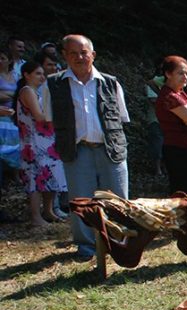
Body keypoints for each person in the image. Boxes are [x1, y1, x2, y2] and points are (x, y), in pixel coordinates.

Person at [48, 34, 130, 260]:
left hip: (110, 147)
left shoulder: (110, 82)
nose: (79, 57)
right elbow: (48, 117)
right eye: (73, 53)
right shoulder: (54, 84)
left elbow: (121, 118)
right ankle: (86, 245)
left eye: (84, 52)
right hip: (77, 149)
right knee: (80, 200)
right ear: (65, 56)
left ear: (93, 55)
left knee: (117, 198)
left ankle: (119, 241)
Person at [15, 61, 67, 226]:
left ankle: (49, 211)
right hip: (34, 141)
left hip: (46, 141)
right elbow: (39, 116)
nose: (42, 77)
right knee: (35, 178)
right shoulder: (27, 91)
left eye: (43, 74)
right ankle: (36, 216)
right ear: (26, 74)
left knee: (51, 175)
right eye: (37, 73)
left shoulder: (38, 92)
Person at [155, 56, 187, 195]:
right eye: (180, 73)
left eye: (186, 73)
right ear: (168, 74)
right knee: (184, 193)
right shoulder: (169, 96)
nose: (185, 77)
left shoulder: (180, 93)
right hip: (179, 151)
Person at [0, 51, 21, 176]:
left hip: (13, 114)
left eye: (2, 58)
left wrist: (9, 96)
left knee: (16, 144)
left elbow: (21, 92)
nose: (0, 61)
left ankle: (16, 175)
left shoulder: (15, 75)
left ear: (9, 60)